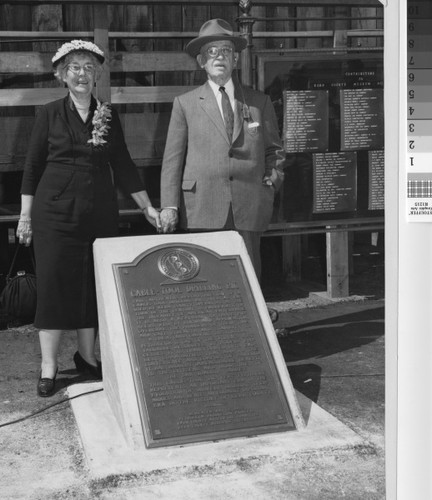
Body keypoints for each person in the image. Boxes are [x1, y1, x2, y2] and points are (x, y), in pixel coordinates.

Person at [16, 40, 161, 397]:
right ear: (61, 75)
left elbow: (124, 165)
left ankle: (87, 356)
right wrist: (25, 217)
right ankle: (49, 366)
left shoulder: (107, 115)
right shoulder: (48, 114)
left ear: (97, 75)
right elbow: (33, 167)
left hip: (98, 214)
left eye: (88, 68)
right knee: (54, 286)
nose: (82, 74)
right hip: (55, 214)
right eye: (74, 67)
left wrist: (147, 208)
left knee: (92, 285)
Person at [159, 19, 285, 283]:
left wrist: (271, 180)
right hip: (202, 206)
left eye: (226, 51)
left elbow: (274, 150)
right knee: (206, 280)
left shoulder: (258, 102)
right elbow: (172, 160)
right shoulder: (185, 104)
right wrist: (169, 205)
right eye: (211, 52)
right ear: (201, 61)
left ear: (235, 60)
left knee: (248, 279)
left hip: (249, 204)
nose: (219, 57)